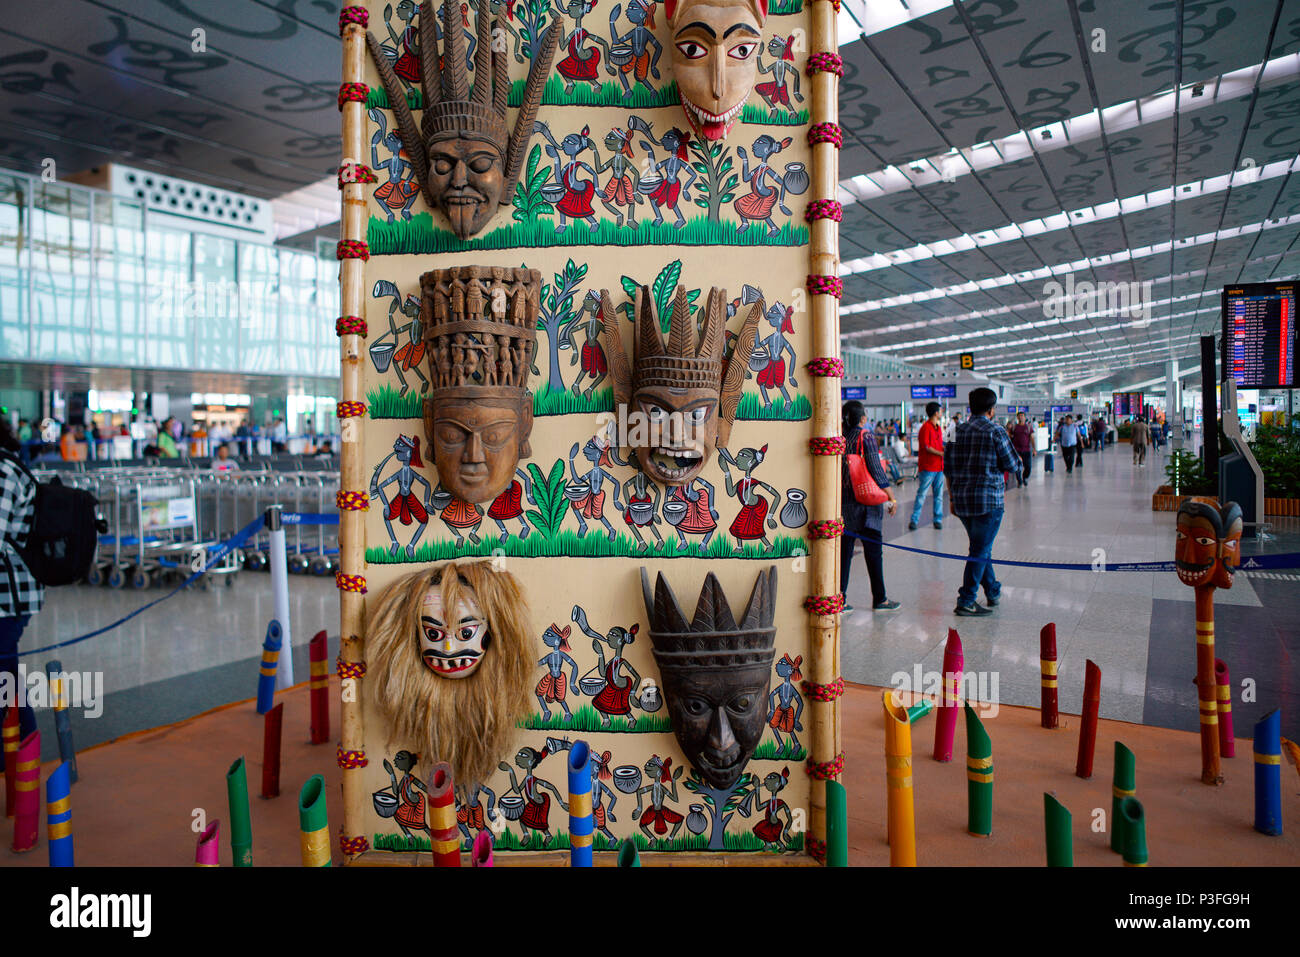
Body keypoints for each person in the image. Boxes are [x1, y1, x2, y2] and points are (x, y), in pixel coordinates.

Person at [945, 387, 1019, 616]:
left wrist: (952, 498)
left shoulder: (954, 430)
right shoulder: (996, 431)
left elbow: (947, 468)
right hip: (989, 502)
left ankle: (993, 590)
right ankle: (966, 599)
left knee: (980, 547)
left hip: (964, 502)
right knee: (979, 548)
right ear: (991, 410)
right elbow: (1013, 464)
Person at [0, 419, 43, 750]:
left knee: (5, 681)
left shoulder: (3, 471)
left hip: (7, 598)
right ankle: (22, 762)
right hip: (10, 595)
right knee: (7, 678)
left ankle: (21, 763)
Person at [840, 401, 900, 613]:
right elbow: (876, 468)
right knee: (874, 552)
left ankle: (841, 600)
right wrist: (891, 497)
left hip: (844, 503)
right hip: (866, 505)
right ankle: (880, 598)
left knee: (844, 553)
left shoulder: (839, 437)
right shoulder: (865, 436)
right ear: (863, 419)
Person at [909, 401, 945, 530]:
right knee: (922, 494)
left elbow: (938, 444)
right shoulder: (926, 428)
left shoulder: (938, 428)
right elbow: (926, 446)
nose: (942, 413)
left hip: (939, 467)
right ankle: (914, 519)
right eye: (940, 411)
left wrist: (944, 450)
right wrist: (941, 453)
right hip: (928, 467)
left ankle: (937, 519)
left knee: (939, 496)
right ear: (936, 413)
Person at [1008, 410, 1034, 487]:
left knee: (1028, 466)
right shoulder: (1014, 427)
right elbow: (1010, 436)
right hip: (1017, 451)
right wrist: (1009, 431)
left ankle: (1025, 477)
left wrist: (1034, 449)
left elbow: (1032, 438)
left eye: (1022, 416)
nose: (1021, 417)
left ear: (1025, 417)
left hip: (1026, 450)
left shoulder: (1028, 427)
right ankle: (1019, 481)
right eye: (1019, 416)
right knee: (1018, 467)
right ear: (1017, 417)